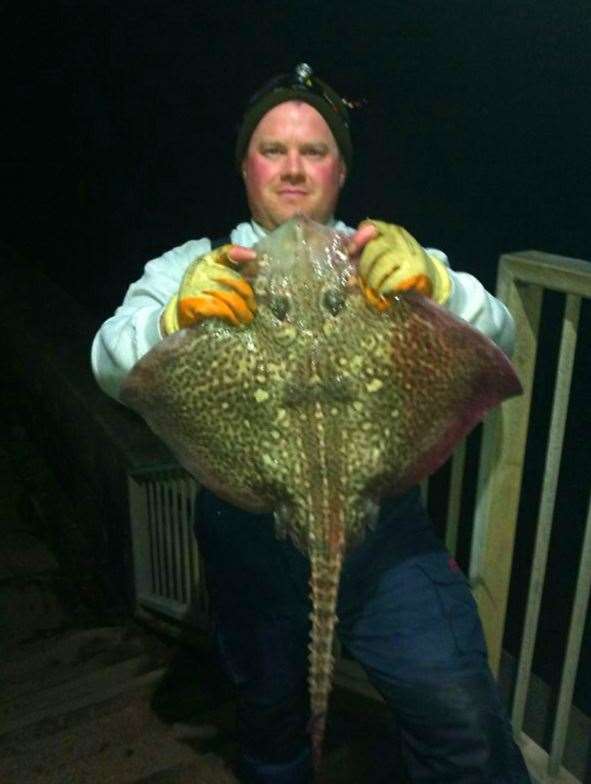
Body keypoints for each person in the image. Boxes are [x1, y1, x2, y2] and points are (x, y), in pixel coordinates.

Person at [92, 64, 531, 783]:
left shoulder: (382, 257)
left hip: (384, 532)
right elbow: (110, 363)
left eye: (314, 151)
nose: (293, 168)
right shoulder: (195, 265)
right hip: (247, 531)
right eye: (273, 149)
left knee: (458, 712)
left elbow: (500, 340)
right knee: (269, 721)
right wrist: (171, 321)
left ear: (340, 170)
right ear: (244, 165)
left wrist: (442, 287)